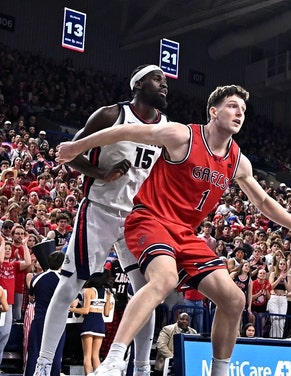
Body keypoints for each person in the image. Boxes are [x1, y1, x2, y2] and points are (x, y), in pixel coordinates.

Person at [56, 84, 291, 376]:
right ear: (213, 111)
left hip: (185, 234)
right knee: (164, 279)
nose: (239, 113)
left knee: (233, 299)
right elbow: (125, 132)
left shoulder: (237, 161)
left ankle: (219, 371)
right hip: (151, 219)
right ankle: (113, 361)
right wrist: (76, 147)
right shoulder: (182, 135)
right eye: (233, 106)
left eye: (243, 110)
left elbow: (262, 200)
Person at [34, 64, 170, 376]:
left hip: (137, 218)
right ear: (138, 85)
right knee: (69, 286)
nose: (164, 85)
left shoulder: (166, 128)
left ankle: (141, 368)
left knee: (146, 291)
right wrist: (101, 173)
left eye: (164, 80)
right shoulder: (111, 116)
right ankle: (43, 365)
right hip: (100, 210)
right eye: (157, 79)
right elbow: (68, 153)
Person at [69, 272, 113, 375]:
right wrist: (109, 307)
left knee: (87, 356)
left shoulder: (88, 291)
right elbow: (106, 314)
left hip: (89, 323)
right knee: (95, 355)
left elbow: (85, 310)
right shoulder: (107, 293)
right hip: (100, 325)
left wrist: (72, 308)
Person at [0, 230, 29, 368]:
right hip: (1, 304)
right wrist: (2, 242)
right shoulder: (0, 264)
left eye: (8, 249)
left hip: (9, 304)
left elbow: (28, 262)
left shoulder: (14, 265)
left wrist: (24, 245)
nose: (6, 251)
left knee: (5, 335)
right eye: (4, 249)